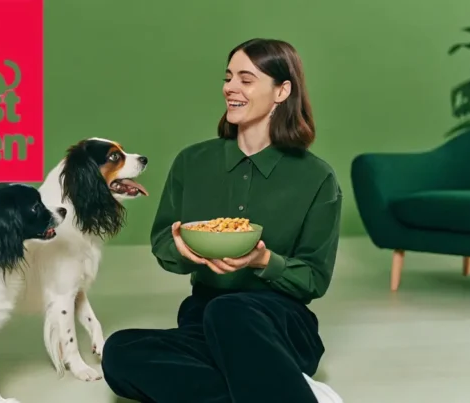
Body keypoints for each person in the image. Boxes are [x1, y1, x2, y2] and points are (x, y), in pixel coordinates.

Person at [100, 38, 345, 403]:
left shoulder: (317, 178)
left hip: (281, 324)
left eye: (246, 79)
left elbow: (314, 278)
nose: (230, 87)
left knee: (230, 310)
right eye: (228, 77)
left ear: (282, 91)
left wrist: (263, 261)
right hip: (202, 322)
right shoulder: (191, 162)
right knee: (120, 350)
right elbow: (164, 243)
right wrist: (183, 250)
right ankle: (287, 389)